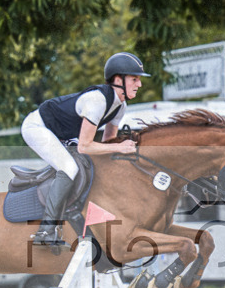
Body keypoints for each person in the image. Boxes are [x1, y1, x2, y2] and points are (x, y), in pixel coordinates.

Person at [21, 52, 149, 247]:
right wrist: (120, 147)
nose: (139, 84)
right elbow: (85, 145)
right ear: (118, 79)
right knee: (69, 168)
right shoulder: (97, 101)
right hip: (37, 127)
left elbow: (107, 143)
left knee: (91, 167)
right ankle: (46, 230)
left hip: (62, 134)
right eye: (134, 79)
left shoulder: (120, 107)